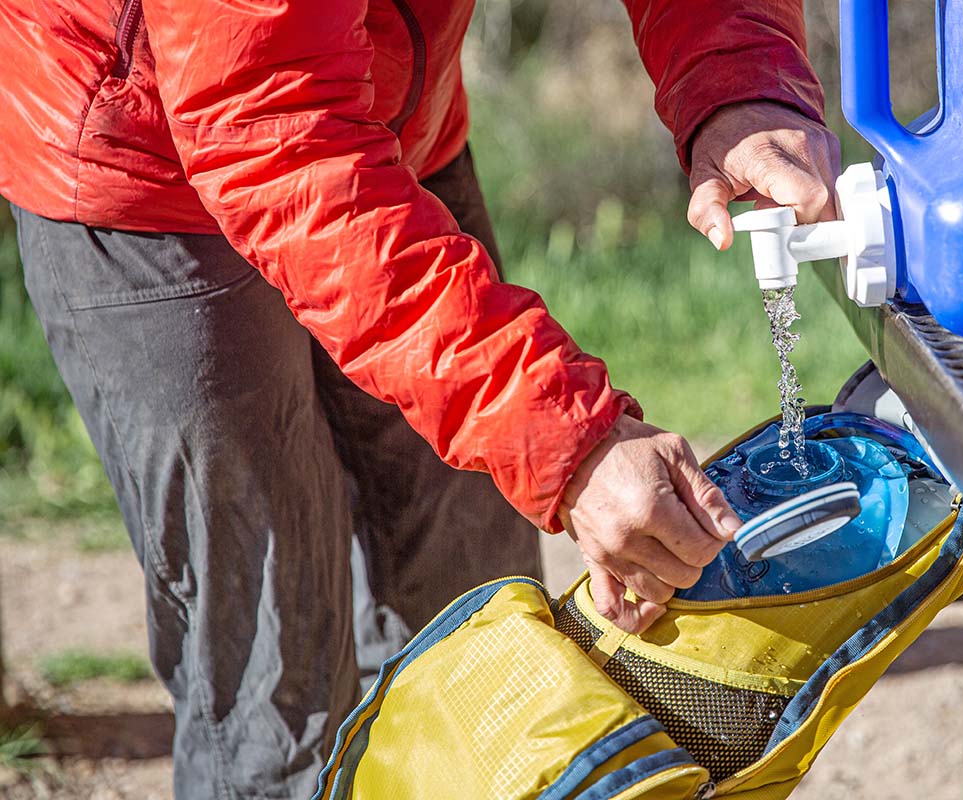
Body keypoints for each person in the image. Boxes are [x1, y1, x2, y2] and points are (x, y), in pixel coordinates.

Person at [0, 0, 839, 796]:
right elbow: (268, 127)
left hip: (390, 116)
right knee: (279, 690)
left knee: (483, 619)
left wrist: (741, 83)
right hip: (148, 158)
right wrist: (567, 441)